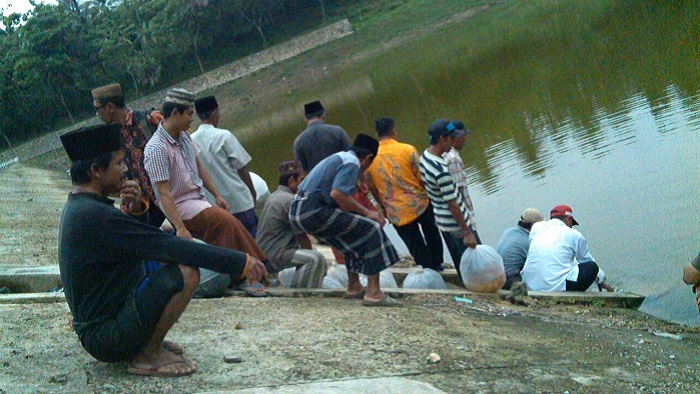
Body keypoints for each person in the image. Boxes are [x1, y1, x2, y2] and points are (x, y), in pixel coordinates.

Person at [58, 123, 267, 377]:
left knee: (168, 259)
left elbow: (135, 243)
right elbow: (162, 246)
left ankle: (146, 340)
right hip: (105, 337)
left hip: (103, 325)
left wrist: (136, 208)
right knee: (186, 271)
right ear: (96, 171)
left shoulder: (84, 206)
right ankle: (148, 353)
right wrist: (240, 262)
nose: (125, 170)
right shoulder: (96, 215)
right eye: (118, 164)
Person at [143, 88, 269, 296]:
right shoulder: (156, 148)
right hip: (180, 206)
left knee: (225, 223)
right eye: (188, 114)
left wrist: (217, 194)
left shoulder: (184, 137)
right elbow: (163, 193)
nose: (192, 119)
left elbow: (199, 166)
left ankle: (250, 269)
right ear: (175, 113)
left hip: (197, 199)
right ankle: (246, 273)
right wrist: (180, 228)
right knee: (225, 222)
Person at [289, 134, 401, 306]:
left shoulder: (341, 157)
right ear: (368, 158)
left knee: (349, 235)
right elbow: (338, 194)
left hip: (298, 211)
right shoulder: (352, 162)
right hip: (312, 211)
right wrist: (368, 212)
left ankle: (354, 286)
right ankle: (374, 293)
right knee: (372, 228)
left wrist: (359, 213)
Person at [365, 117, 444, 271]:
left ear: (377, 134)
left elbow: (372, 187)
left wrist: (382, 207)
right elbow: (421, 177)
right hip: (419, 203)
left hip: (395, 210)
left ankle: (427, 269)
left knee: (414, 243)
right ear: (393, 131)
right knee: (432, 233)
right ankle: (437, 263)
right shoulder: (407, 149)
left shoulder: (371, 157)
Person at [91, 83, 165, 227]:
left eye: (97, 109)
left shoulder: (149, 120)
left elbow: (186, 144)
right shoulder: (111, 138)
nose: (96, 114)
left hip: (172, 197)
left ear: (110, 107)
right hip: (145, 207)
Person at [191, 96, 258, 237]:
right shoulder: (224, 136)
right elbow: (242, 169)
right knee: (254, 244)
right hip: (240, 202)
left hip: (216, 208)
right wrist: (252, 193)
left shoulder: (190, 142)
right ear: (215, 112)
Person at [419, 119, 477, 281]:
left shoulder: (425, 157)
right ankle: (476, 289)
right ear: (442, 139)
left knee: (459, 261)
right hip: (456, 225)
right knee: (472, 264)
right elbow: (453, 204)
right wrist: (467, 232)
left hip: (443, 222)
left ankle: (467, 285)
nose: (453, 143)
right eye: (451, 139)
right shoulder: (441, 170)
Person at [257, 160, 327, 288]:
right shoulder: (290, 201)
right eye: (302, 179)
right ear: (291, 180)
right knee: (315, 259)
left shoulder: (275, 196)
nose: (305, 183)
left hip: (267, 251)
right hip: (276, 253)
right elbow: (302, 236)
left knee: (312, 253)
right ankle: (302, 293)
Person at [521, 205, 615, 292]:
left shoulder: (537, 228)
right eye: (572, 223)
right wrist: (601, 280)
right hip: (554, 288)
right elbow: (586, 260)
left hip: (530, 285)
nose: (571, 226)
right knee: (592, 267)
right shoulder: (574, 235)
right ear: (569, 219)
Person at [443, 121, 482, 244]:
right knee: (477, 256)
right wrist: (468, 229)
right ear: (458, 137)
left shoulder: (440, 154)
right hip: (462, 220)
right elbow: (458, 195)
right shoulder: (453, 159)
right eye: (464, 136)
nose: (465, 140)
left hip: (446, 220)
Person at [293, 100, 352, 172]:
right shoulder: (338, 131)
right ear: (323, 115)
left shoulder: (298, 142)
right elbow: (351, 156)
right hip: (342, 178)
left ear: (305, 119)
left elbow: (302, 170)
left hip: (318, 182)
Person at [495, 208, 545, 290]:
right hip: (509, 279)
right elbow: (537, 265)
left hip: (496, 275)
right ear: (534, 226)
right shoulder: (528, 241)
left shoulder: (508, 231)